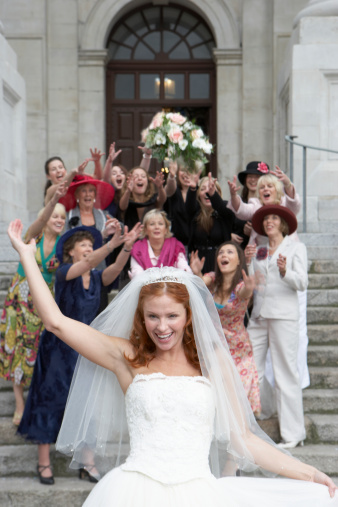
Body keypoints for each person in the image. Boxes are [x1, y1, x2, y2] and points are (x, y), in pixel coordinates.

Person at [7, 222, 337, 506]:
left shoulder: (213, 362)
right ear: (141, 317)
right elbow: (56, 322)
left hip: (199, 494)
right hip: (133, 492)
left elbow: (245, 440)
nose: (162, 327)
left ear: (188, 316)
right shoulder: (127, 357)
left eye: (171, 316)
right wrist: (26, 255)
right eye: (153, 316)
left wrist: (309, 472)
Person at [17, 222, 142, 485]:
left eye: (90, 244)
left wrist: (126, 248)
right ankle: (44, 463)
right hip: (57, 350)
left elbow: (115, 270)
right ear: (71, 252)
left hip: (87, 347)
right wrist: (110, 244)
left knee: (89, 404)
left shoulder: (97, 277)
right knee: (48, 402)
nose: (88, 248)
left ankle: (87, 462)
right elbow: (85, 265)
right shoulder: (65, 272)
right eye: (82, 244)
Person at [228, 168, 310, 390]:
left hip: (286, 301)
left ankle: (293, 407)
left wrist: (288, 183)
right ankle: (260, 411)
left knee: (289, 359)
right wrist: (234, 194)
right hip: (262, 302)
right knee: (254, 365)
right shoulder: (255, 210)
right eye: (261, 185)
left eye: (269, 185)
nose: (265, 189)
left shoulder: (286, 208)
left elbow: (295, 202)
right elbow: (241, 208)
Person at [0, 185, 66, 426]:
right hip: (20, 297)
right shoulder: (34, 236)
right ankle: (19, 402)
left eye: (62, 217)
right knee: (16, 347)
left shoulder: (62, 244)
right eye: (54, 216)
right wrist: (55, 200)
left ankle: (34, 397)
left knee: (36, 348)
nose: (59, 220)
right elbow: (40, 219)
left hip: (42, 301)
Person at [246, 205, 308, 449]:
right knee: (250, 367)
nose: (269, 221)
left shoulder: (296, 248)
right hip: (259, 316)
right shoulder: (260, 250)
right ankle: (263, 410)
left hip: (284, 316)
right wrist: (249, 262)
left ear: (282, 224)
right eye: (267, 218)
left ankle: (294, 434)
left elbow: (302, 282)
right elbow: (253, 283)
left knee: (285, 372)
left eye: (274, 218)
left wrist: (285, 271)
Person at [190, 242, 260, 416]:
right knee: (213, 395)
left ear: (238, 261)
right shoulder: (212, 280)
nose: (224, 255)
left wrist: (250, 289)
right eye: (221, 252)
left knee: (236, 398)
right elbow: (199, 284)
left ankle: (240, 438)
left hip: (237, 350)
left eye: (230, 252)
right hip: (212, 346)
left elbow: (244, 292)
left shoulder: (240, 286)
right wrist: (197, 273)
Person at [186, 172, 244, 273]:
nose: (207, 192)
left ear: (218, 193)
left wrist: (213, 195)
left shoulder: (225, 208)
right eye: (203, 189)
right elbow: (189, 208)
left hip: (221, 260)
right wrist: (192, 189)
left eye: (211, 188)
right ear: (199, 195)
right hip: (199, 262)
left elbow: (221, 208)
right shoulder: (196, 211)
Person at [129, 209, 191, 279]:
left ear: (166, 229)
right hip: (145, 288)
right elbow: (137, 275)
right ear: (145, 229)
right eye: (152, 224)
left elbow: (185, 271)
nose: (157, 227)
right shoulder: (137, 248)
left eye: (160, 224)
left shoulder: (176, 246)